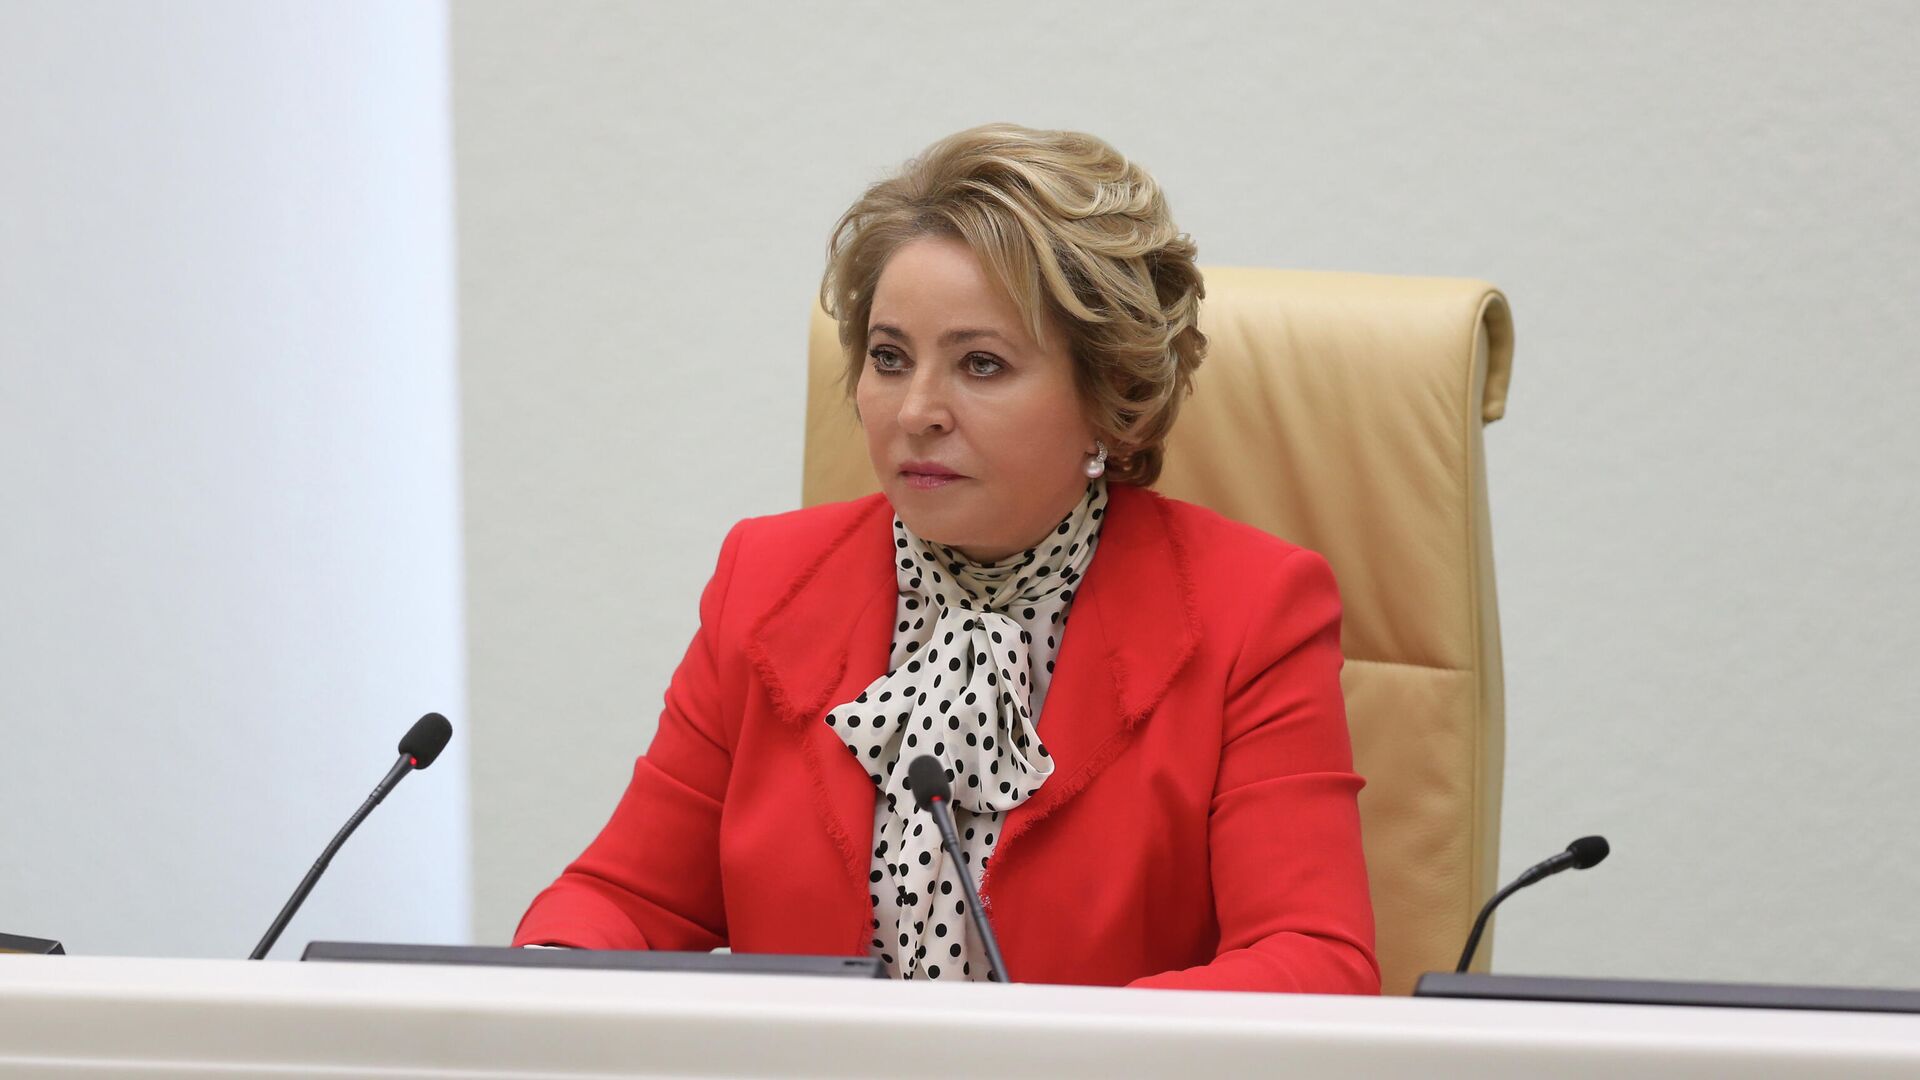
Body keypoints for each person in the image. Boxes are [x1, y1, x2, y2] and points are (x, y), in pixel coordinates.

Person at [513, 123, 1378, 993]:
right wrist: (545, 978)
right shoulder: (766, 580)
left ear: (1111, 397)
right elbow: (624, 899)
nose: (916, 410)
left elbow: (1315, 961)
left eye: (982, 365)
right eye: (890, 358)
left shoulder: (1254, 611)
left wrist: (1048, 1049)